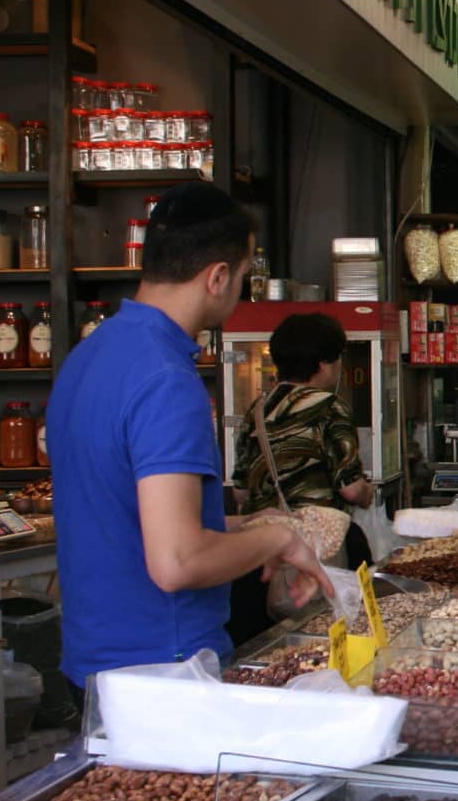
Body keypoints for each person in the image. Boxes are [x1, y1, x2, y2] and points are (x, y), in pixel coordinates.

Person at [49, 183, 322, 696]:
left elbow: (124, 515)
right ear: (217, 278)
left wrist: (245, 526)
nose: (240, 291)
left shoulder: (89, 356)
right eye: (242, 276)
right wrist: (279, 540)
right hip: (164, 673)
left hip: (94, 666)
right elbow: (177, 561)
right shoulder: (166, 379)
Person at [230, 312, 378, 641]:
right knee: (330, 643)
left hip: (257, 556)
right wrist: (370, 493)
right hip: (316, 556)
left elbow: (240, 493)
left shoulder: (257, 409)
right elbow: (351, 489)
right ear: (324, 363)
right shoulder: (330, 407)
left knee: (266, 652)